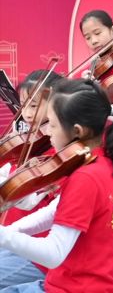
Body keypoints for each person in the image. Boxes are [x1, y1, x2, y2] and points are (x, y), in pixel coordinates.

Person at [0, 79, 113, 292]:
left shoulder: (86, 177)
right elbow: (54, 211)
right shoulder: (101, 161)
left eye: (52, 125)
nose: (48, 133)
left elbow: (54, 253)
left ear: (77, 131)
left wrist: (3, 235)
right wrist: (11, 230)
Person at [0, 70, 63, 289]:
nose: (26, 113)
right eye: (23, 105)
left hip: (36, 249)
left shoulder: (62, 156)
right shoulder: (34, 144)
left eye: (34, 106)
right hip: (15, 239)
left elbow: (34, 205)